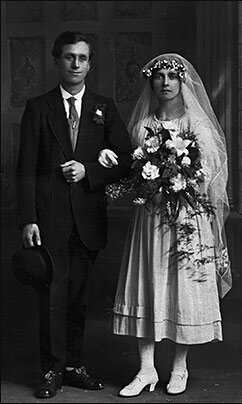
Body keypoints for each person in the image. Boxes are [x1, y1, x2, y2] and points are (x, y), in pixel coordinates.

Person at [98, 53, 232, 397]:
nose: (166, 83)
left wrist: (185, 183)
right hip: (151, 218)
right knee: (148, 284)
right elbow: (132, 171)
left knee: (181, 287)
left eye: (173, 76)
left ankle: (178, 367)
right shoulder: (143, 125)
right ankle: (145, 370)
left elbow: (212, 174)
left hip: (188, 216)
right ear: (151, 82)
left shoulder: (197, 125)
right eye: (159, 77)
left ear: (183, 81)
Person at [16, 30, 133, 399]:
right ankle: (51, 370)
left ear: (90, 63)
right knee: (52, 295)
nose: (76, 64)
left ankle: (73, 366)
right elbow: (25, 169)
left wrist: (90, 172)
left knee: (79, 297)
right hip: (49, 219)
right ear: (56, 61)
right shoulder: (39, 107)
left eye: (82, 58)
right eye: (69, 57)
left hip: (88, 220)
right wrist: (28, 218)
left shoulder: (105, 107)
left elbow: (127, 160)